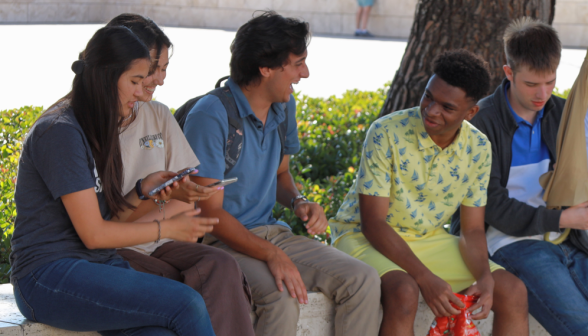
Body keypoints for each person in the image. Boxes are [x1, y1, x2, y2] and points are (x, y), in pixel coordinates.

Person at [183, 11, 382, 336]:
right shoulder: (210, 115)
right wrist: (272, 255)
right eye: (297, 63)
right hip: (219, 243)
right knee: (280, 296)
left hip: (271, 233)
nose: (304, 73)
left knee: (363, 279)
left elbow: (281, 175)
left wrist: (299, 201)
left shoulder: (283, 105)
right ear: (266, 68)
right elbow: (210, 213)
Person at [9, 26, 218, 335]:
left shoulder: (101, 125)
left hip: (97, 264)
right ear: (105, 77)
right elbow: (93, 234)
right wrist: (166, 228)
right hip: (47, 275)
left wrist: (142, 190)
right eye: (135, 81)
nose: (141, 91)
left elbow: (106, 218)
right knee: (187, 303)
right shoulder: (59, 131)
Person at [330, 50, 529, 336]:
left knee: (511, 291)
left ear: (471, 113)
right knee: (404, 291)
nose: (431, 110)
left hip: (428, 240)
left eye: (446, 107)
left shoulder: (478, 147)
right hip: (362, 235)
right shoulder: (386, 132)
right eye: (428, 97)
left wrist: (485, 277)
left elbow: (472, 230)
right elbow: (372, 223)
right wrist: (425, 277)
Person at [106, 14, 255, 336]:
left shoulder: (157, 113)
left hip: (160, 241)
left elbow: (187, 198)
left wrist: (173, 206)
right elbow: (101, 226)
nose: (159, 79)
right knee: (176, 289)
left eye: (163, 69)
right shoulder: (81, 124)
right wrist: (161, 215)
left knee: (220, 264)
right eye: (151, 69)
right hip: (116, 247)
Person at [450, 17, 588, 335]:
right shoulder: (481, 122)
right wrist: (566, 219)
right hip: (509, 243)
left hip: (569, 239)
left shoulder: (564, 114)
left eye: (550, 82)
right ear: (509, 73)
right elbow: (492, 207)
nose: (542, 94)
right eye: (531, 84)